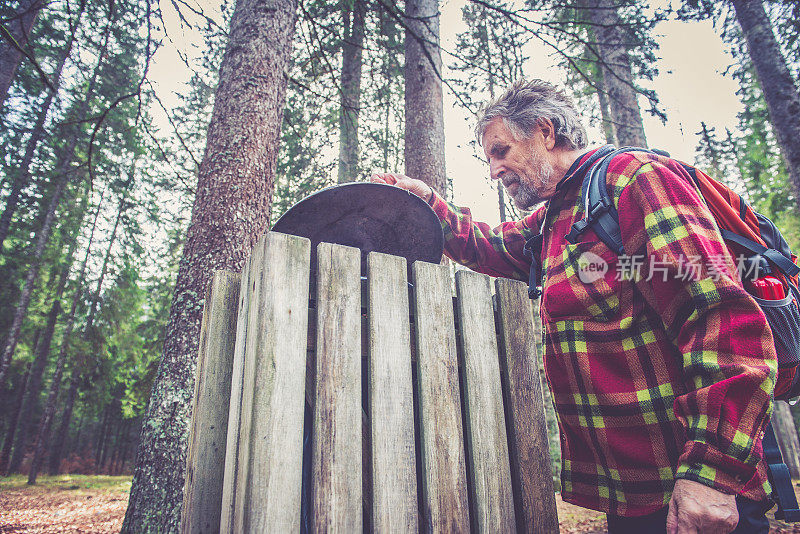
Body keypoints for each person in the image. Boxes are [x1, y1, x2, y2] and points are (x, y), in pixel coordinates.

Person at [372, 79, 776, 534]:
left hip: (689, 486)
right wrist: (428, 202)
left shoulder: (634, 180)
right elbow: (490, 245)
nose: (493, 170)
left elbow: (719, 316)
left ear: (545, 131)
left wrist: (712, 472)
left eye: (501, 151)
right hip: (631, 492)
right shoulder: (555, 220)